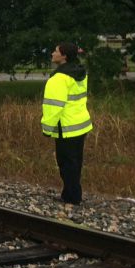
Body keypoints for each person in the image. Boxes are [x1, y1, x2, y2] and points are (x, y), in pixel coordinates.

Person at [41, 42, 92, 206]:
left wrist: (47, 128)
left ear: (64, 56)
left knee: (66, 164)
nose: (52, 53)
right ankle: (71, 193)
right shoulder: (80, 73)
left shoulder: (58, 79)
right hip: (80, 125)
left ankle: (72, 197)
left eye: (56, 51)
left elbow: (53, 107)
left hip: (66, 127)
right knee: (76, 162)